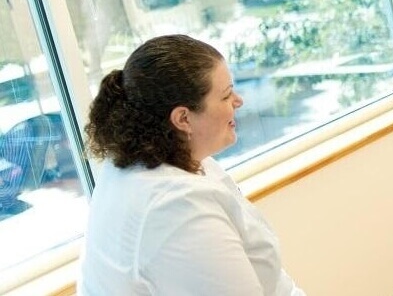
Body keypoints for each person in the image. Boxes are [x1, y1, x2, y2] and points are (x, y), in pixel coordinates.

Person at [79, 34, 305, 296]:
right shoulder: (175, 209)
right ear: (183, 118)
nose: (238, 101)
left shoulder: (164, 161)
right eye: (226, 95)